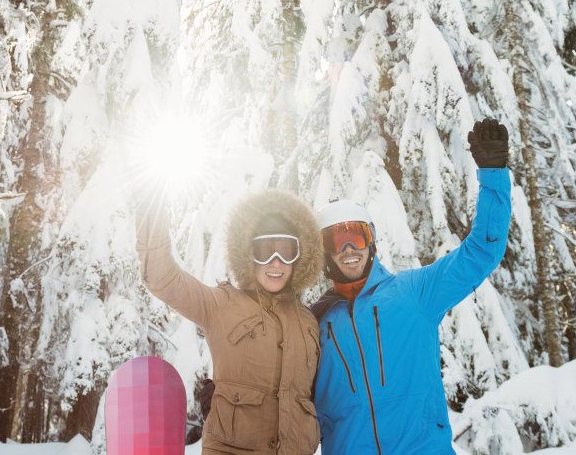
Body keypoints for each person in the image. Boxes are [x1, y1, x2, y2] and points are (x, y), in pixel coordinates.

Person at [311, 117, 512, 454]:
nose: (348, 249)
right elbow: (281, 387)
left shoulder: (414, 293)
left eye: (356, 236)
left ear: (371, 241)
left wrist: (493, 177)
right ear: (324, 252)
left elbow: (482, 251)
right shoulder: (315, 322)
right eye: (336, 240)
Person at [136, 186, 325, 454]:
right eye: (264, 251)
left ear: (300, 257)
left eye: (286, 251)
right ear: (248, 255)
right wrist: (151, 207)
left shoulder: (308, 322)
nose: (276, 262)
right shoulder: (221, 305)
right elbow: (161, 277)